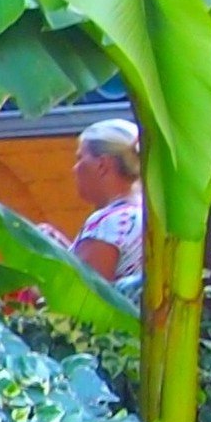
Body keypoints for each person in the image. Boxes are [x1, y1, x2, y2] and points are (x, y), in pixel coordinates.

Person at [70, 118, 144, 296]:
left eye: (80, 158)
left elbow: (83, 297)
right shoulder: (150, 215)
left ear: (102, 165)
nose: (74, 168)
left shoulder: (107, 224)